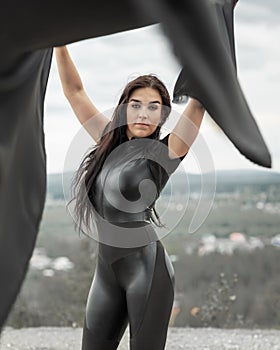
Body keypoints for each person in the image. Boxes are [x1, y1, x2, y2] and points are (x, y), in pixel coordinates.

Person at [55, 45, 205, 350]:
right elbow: (74, 91)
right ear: (125, 108)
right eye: (136, 105)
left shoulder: (162, 154)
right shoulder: (107, 140)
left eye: (154, 107)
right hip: (106, 276)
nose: (143, 113)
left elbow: (199, 105)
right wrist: (58, 40)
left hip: (148, 274)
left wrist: (214, 38)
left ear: (163, 114)